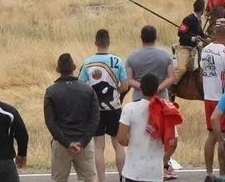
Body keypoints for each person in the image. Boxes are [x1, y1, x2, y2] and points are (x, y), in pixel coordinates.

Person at [77, 30, 129, 182]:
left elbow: (81, 86)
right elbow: (125, 86)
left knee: (98, 147)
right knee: (118, 145)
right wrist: (115, 92)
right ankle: (122, 178)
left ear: (95, 42)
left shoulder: (87, 62)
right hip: (114, 108)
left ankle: (101, 180)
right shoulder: (117, 61)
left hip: (95, 109)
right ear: (109, 42)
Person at [44, 53, 100, 182]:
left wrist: (67, 143)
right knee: (90, 179)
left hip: (61, 144)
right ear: (74, 67)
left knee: (59, 179)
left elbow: (50, 122)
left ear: (58, 69)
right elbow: (95, 118)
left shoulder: (51, 91)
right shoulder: (88, 90)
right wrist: (83, 141)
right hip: (84, 144)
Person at [118, 74, 181, 182]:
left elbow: (121, 138)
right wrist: (164, 159)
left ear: (141, 88)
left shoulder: (129, 108)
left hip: (132, 171)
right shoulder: (167, 111)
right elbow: (173, 143)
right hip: (155, 173)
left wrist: (131, 143)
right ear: (157, 90)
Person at [200, 19, 225, 182]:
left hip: (208, 96)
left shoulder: (205, 50)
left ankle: (209, 173)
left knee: (211, 136)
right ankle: (222, 175)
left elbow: (203, 73)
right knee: (224, 137)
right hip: (222, 98)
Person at [125, 26, 176, 102]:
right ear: (155, 37)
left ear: (141, 37)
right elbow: (172, 77)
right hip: (161, 99)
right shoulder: (166, 55)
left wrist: (142, 87)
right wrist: (159, 88)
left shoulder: (131, 56)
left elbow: (128, 80)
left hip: (139, 98)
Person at [175, 0, 207, 84]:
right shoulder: (188, 19)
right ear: (202, 10)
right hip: (184, 48)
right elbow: (180, 33)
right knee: (182, 69)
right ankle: (170, 86)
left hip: (193, 50)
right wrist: (193, 38)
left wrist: (209, 38)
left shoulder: (199, 20)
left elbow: (201, 34)